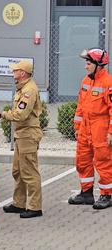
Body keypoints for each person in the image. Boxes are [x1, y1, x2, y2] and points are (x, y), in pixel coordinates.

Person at [0, 59, 43, 218]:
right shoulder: (22, 88)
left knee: (30, 172)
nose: (13, 72)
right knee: (18, 171)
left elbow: (20, 115)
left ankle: (35, 207)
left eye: (15, 70)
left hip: (28, 135)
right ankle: (19, 203)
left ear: (22, 73)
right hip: (21, 135)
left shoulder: (29, 90)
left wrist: (2, 114)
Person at [68, 48, 112, 209]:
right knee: (83, 160)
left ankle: (107, 195)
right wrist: (77, 126)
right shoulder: (86, 81)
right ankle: (86, 193)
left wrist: (110, 133)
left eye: (88, 63)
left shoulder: (108, 82)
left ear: (98, 65)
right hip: (86, 127)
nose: (86, 67)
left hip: (100, 127)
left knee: (103, 162)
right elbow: (80, 106)